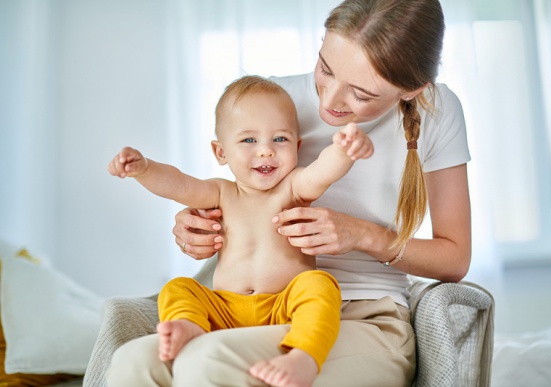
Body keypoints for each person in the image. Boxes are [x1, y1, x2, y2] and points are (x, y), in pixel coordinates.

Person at [107, 0, 472, 385]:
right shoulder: (271, 101)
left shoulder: (439, 111)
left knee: (208, 361)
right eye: (325, 69)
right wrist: (195, 225)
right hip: (251, 307)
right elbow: (214, 192)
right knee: (133, 361)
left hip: (363, 314)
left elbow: (454, 258)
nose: (329, 102)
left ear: (412, 90)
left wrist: (361, 235)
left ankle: (302, 354)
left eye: (361, 95)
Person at [107, 75, 374, 387]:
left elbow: (321, 172)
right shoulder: (222, 193)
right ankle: (189, 324)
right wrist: (145, 169)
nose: (265, 151)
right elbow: (177, 184)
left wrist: (345, 149)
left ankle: (303, 355)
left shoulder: (292, 188)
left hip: (283, 305)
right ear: (220, 153)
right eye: (249, 140)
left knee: (319, 285)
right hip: (224, 308)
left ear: (297, 146)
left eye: (280, 139)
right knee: (179, 288)